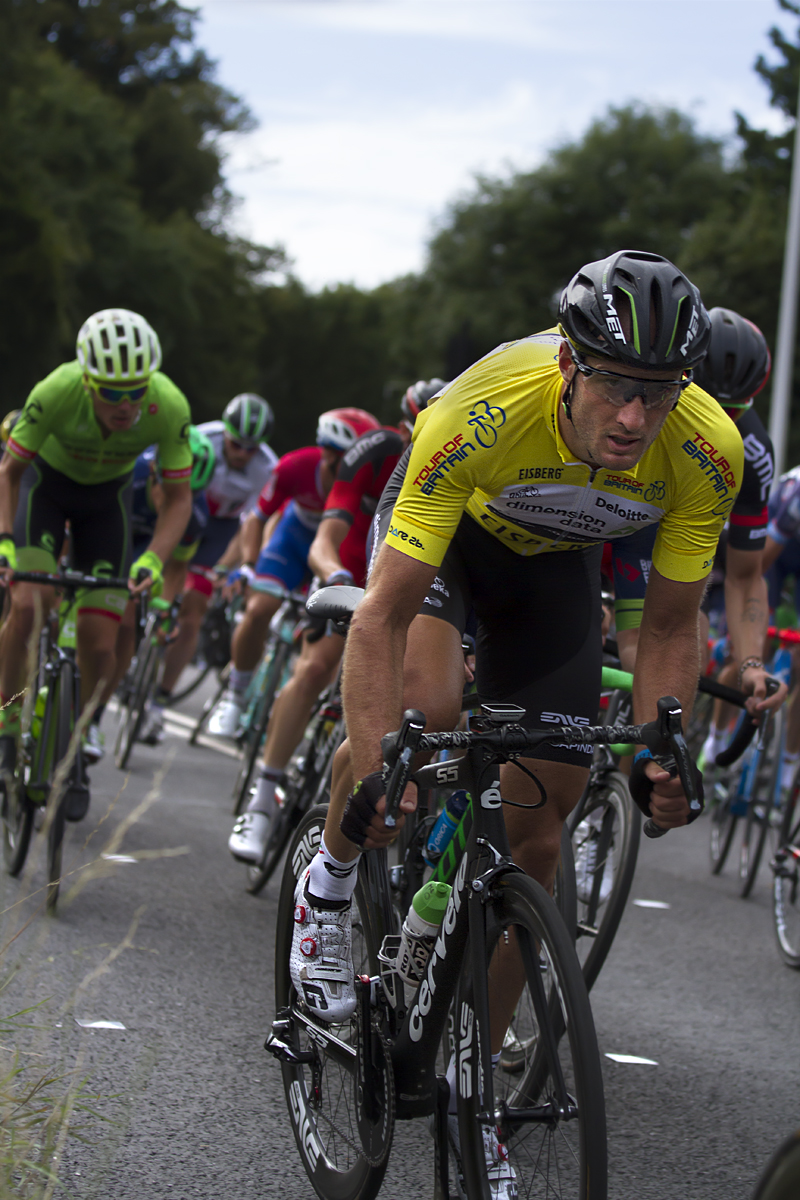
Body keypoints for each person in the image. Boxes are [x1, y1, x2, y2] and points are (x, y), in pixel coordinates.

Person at [227, 389, 446, 862]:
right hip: (353, 563)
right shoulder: (377, 452)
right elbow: (324, 538)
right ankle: (261, 802)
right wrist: (336, 576)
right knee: (314, 668)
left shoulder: (464, 462)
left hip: (415, 579)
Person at [0, 308, 192, 791]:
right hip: (45, 491)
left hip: (106, 506)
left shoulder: (168, 404)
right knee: (29, 605)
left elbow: (179, 498)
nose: (125, 405)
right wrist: (5, 541)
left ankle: (73, 739)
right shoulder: (57, 390)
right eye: (111, 392)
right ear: (87, 381)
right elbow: (9, 474)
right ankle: (6, 713)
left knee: (100, 639)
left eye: (136, 390)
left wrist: (153, 558)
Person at [609, 307, 786, 759]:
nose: (716, 423)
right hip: (594, 517)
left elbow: (747, 575)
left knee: (688, 640)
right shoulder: (620, 411)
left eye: (732, 411)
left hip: (657, 528)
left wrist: (750, 664)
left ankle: (634, 770)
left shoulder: (750, 451)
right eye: (702, 402)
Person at [208, 408, 381, 739]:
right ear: (327, 452)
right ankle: (234, 696)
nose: (358, 470)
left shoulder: (369, 487)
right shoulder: (296, 465)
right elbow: (257, 517)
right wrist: (247, 564)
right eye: (349, 460)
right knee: (260, 608)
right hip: (293, 540)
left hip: (335, 552)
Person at [150, 393, 277, 711]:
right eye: (237, 445)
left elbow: (249, 525)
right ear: (225, 434)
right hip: (185, 511)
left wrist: (224, 568)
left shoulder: (266, 467)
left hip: (221, 530)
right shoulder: (203, 438)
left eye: (252, 447)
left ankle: (162, 696)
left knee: (194, 608)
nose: (243, 454)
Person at [112, 427, 216, 747]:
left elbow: (177, 568)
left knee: (134, 615)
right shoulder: (131, 476)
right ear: (157, 475)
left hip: (154, 547)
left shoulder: (195, 515)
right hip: (117, 531)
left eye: (186, 498)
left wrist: (166, 611)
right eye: (170, 494)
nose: (176, 503)